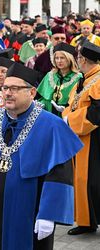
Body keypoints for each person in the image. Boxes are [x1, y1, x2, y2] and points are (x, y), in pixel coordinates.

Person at [0, 62, 83, 250]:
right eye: (5, 88)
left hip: (28, 212)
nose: (8, 93)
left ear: (32, 93)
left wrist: (49, 214)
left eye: (15, 88)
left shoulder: (52, 126)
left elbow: (60, 174)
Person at [62, 41, 100, 235]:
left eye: (78, 58)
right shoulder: (84, 78)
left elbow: (97, 112)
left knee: (92, 181)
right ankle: (86, 222)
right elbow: (75, 102)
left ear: (83, 59)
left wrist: (70, 120)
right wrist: (66, 115)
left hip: (94, 139)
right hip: (80, 138)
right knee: (82, 179)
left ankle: (91, 221)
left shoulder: (99, 80)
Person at [37, 43, 82, 116]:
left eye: (62, 58)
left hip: (67, 114)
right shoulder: (50, 75)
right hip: (49, 112)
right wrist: (41, 104)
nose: (59, 61)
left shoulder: (78, 77)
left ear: (69, 59)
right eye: (56, 58)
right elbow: (42, 97)